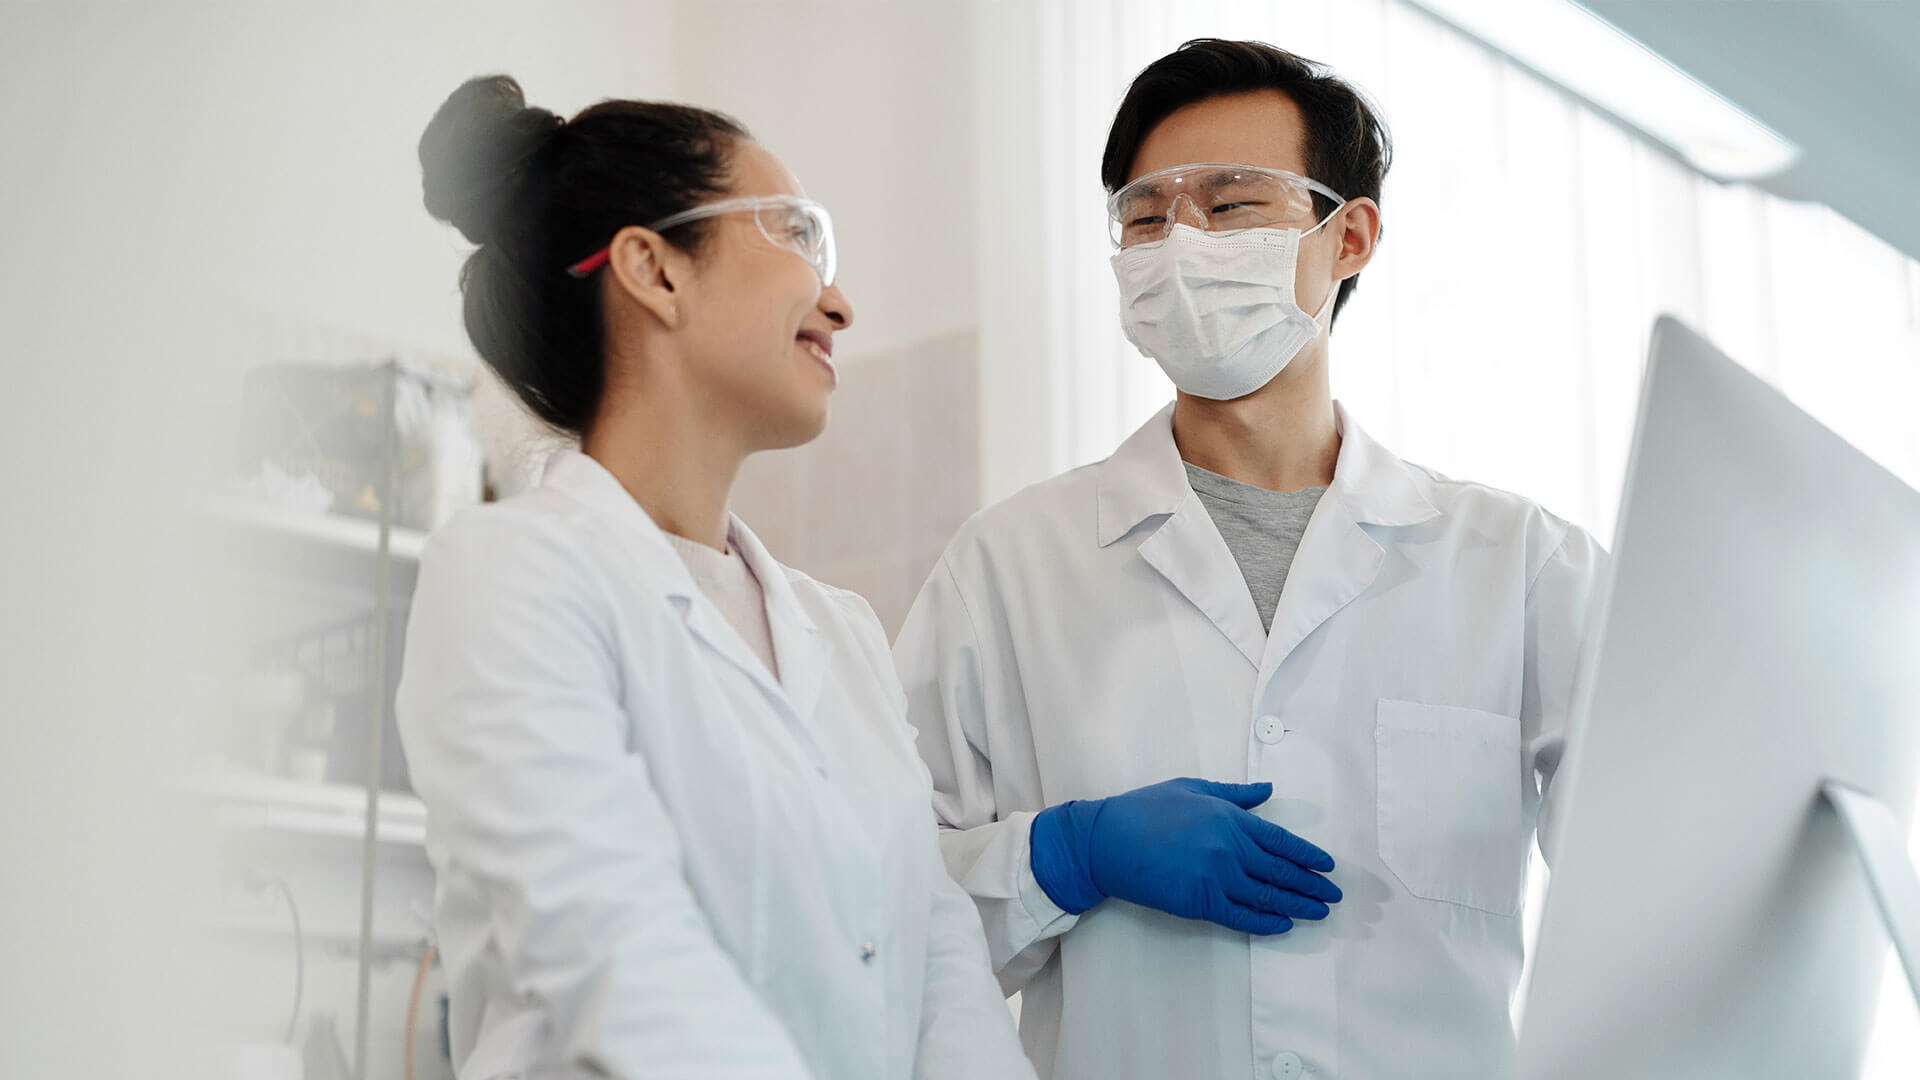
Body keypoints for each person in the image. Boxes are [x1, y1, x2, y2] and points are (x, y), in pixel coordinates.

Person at [895, 39, 1606, 1080]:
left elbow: (1658, 883)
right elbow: (882, 915)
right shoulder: (1009, 566)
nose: (1180, 242)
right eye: (1146, 216)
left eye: (1231, 207)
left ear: (1349, 235)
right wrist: (1064, 856)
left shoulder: (1521, 568)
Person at [397, 75, 1034, 1080]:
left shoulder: (844, 634)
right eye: (792, 235)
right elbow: (619, 954)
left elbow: (938, 963)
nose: (839, 298)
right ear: (654, 270)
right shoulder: (512, 576)